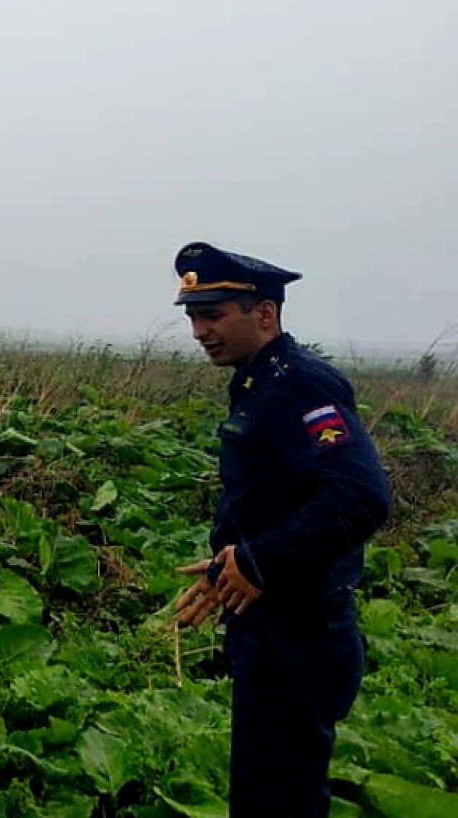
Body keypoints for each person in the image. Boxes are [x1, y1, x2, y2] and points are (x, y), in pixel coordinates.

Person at [170, 242, 391, 817]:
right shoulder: (258, 381)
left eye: (213, 314)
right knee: (263, 791)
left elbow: (359, 495)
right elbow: (279, 499)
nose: (199, 330)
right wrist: (231, 567)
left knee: (281, 799)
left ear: (264, 314)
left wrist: (260, 562)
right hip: (271, 627)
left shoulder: (299, 385)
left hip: (301, 633)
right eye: (194, 315)